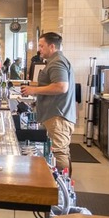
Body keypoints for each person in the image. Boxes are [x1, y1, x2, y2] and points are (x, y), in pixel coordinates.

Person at [20, 32, 76, 176]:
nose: (39, 49)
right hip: (55, 114)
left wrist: (34, 90)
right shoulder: (54, 61)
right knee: (59, 151)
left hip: (58, 115)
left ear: (52, 46)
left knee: (59, 153)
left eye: (41, 46)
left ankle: (62, 190)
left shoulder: (57, 61)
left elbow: (61, 86)